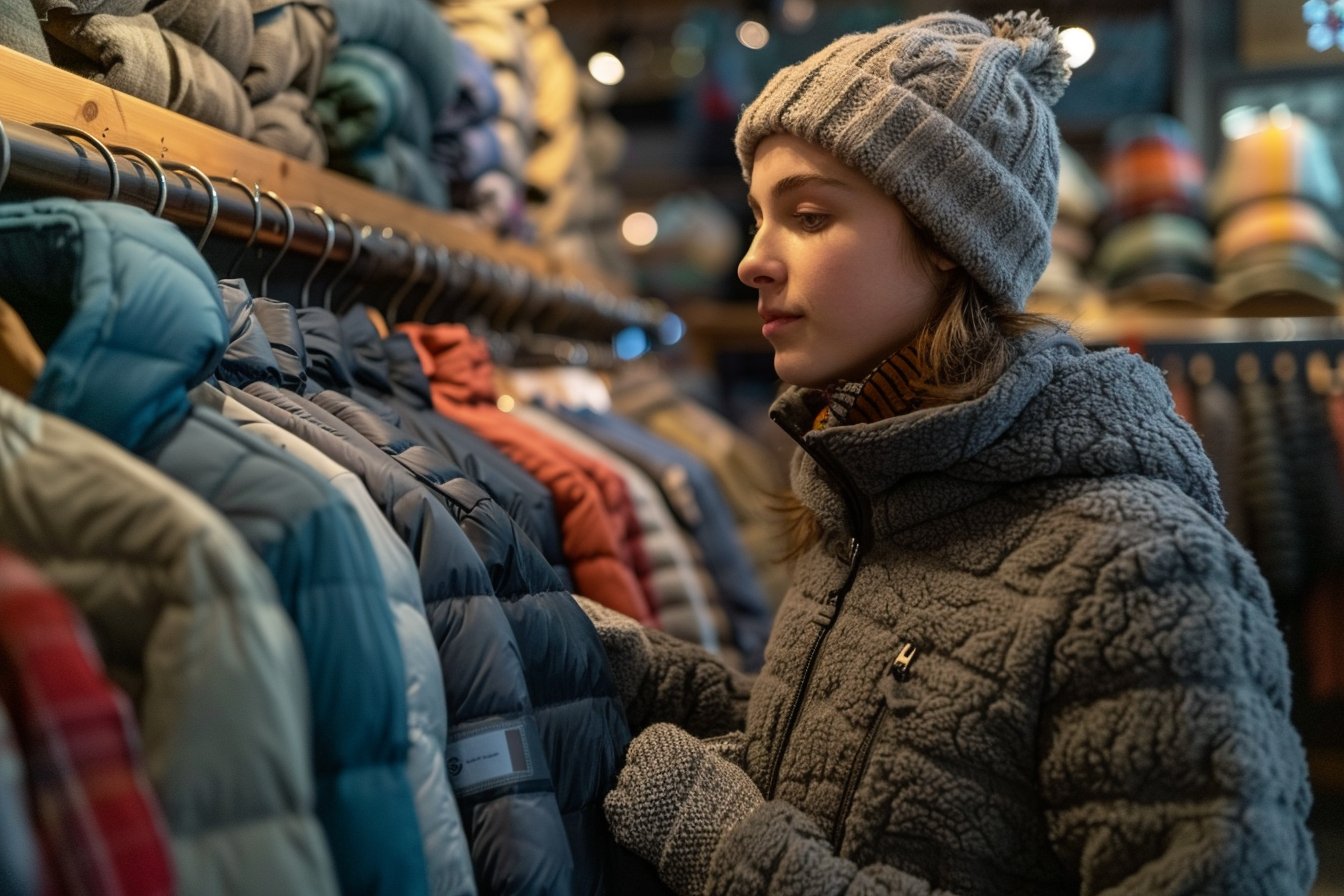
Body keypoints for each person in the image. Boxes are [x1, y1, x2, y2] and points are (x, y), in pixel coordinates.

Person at [578, 9, 1318, 896]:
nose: (753, 262)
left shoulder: (1141, 571)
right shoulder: (872, 491)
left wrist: (737, 857)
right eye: (759, 217)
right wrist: (636, 672)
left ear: (946, 241)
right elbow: (879, 761)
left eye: (810, 216)